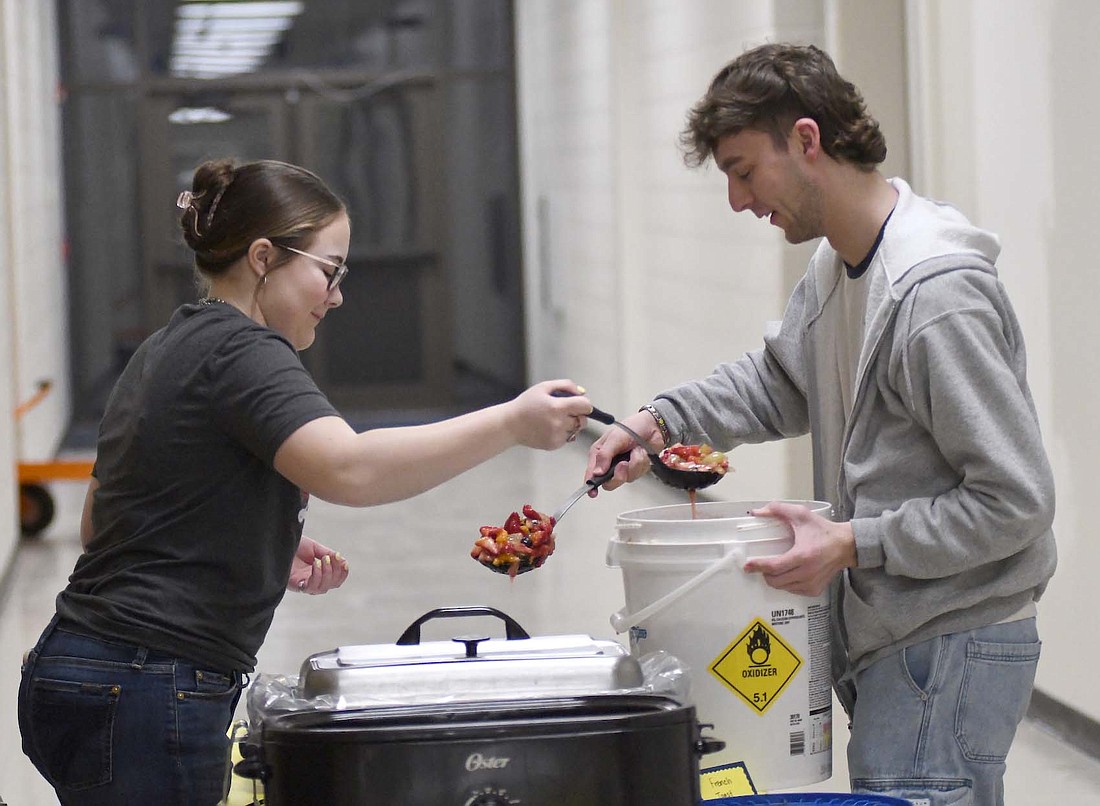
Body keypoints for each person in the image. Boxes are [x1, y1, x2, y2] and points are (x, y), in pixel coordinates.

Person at [18, 157, 595, 806]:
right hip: (151, 681)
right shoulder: (245, 350)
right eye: (329, 272)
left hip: (75, 669)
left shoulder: (162, 348)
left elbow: (104, 522)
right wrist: (512, 423)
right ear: (264, 257)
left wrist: (250, 532)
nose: (337, 295)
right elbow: (350, 468)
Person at [585, 43, 1056, 806]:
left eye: (743, 171)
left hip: (949, 642)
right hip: (902, 638)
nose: (738, 201)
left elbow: (1017, 503)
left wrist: (852, 543)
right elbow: (777, 382)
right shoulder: (839, 267)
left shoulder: (935, 297)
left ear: (806, 140)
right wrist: (657, 422)